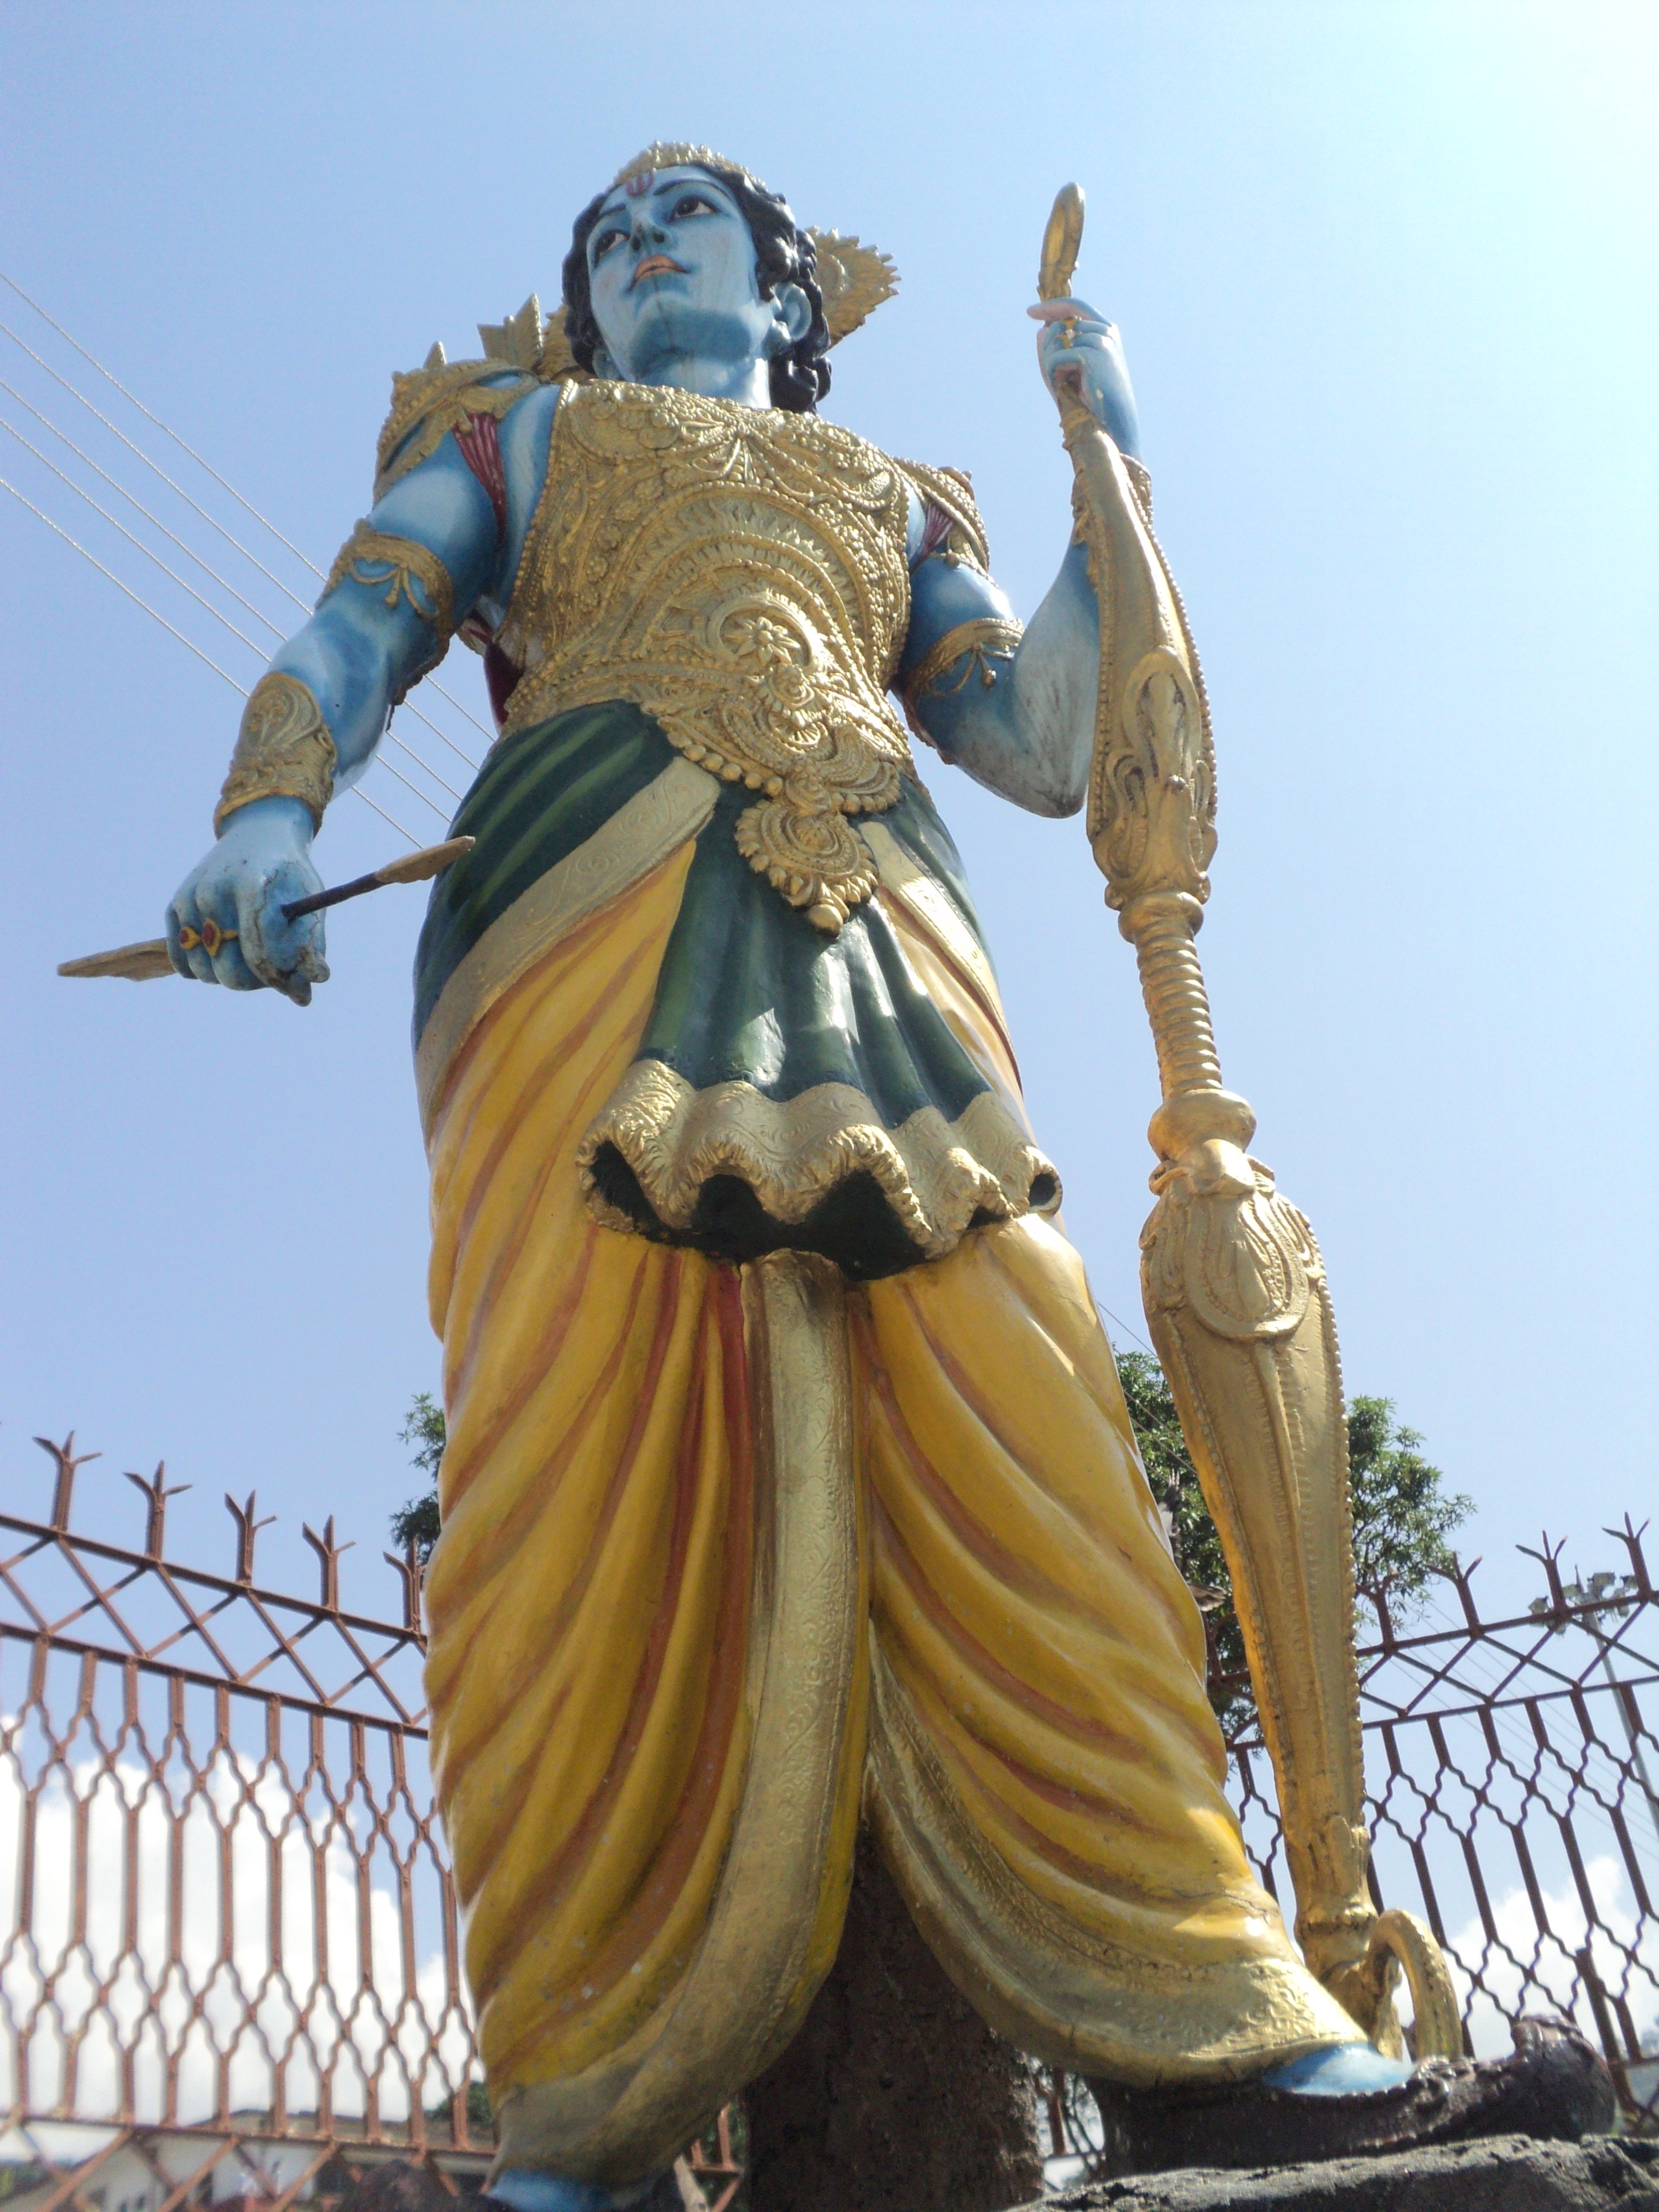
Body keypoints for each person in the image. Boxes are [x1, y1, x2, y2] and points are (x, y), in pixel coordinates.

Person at [166, 147, 1608, 2196]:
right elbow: (365, 614)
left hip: (891, 929)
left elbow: (1030, 739)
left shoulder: (899, 498)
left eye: (690, 222)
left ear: (787, 298)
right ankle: (570, 2118)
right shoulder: (525, 437)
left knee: (1030, 1414)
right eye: (605, 237)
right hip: (578, 909)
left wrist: (1104, 469)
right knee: (575, 1445)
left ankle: (1221, 2026)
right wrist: (267, 810)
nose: (640, 244)